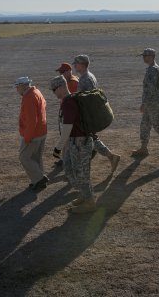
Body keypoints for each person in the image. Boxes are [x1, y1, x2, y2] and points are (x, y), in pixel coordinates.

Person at [50, 75, 96, 213]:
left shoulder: (68, 102)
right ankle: (84, 195)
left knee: (81, 173)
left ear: (62, 87)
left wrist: (58, 147)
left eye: (54, 89)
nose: (54, 93)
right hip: (75, 141)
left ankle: (89, 202)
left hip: (80, 142)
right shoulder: (72, 99)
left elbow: (67, 127)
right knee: (69, 167)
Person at [72, 54, 120, 174]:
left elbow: (87, 100)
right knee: (91, 138)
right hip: (90, 115)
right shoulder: (89, 76)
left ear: (82, 65)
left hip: (88, 115)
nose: (74, 66)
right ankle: (109, 156)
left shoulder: (85, 79)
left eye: (76, 63)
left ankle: (110, 156)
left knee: (89, 139)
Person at [14, 76, 49, 190]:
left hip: (33, 134)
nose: (17, 89)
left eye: (17, 86)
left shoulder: (29, 97)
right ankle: (38, 181)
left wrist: (27, 137)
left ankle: (39, 178)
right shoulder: (37, 92)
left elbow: (31, 120)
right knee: (36, 157)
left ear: (24, 86)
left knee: (24, 157)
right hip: (42, 131)